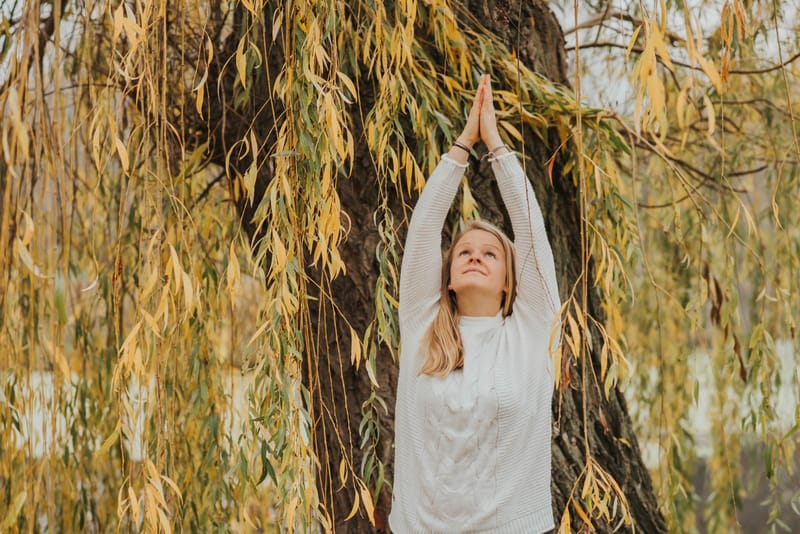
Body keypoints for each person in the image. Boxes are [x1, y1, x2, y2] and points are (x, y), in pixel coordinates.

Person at [389, 74, 561, 533]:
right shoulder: (422, 326)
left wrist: (498, 150)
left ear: (511, 282)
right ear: (446, 277)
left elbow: (531, 235)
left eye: (490, 254)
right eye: (464, 252)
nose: (475, 258)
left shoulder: (530, 333)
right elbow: (424, 231)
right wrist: (461, 147)